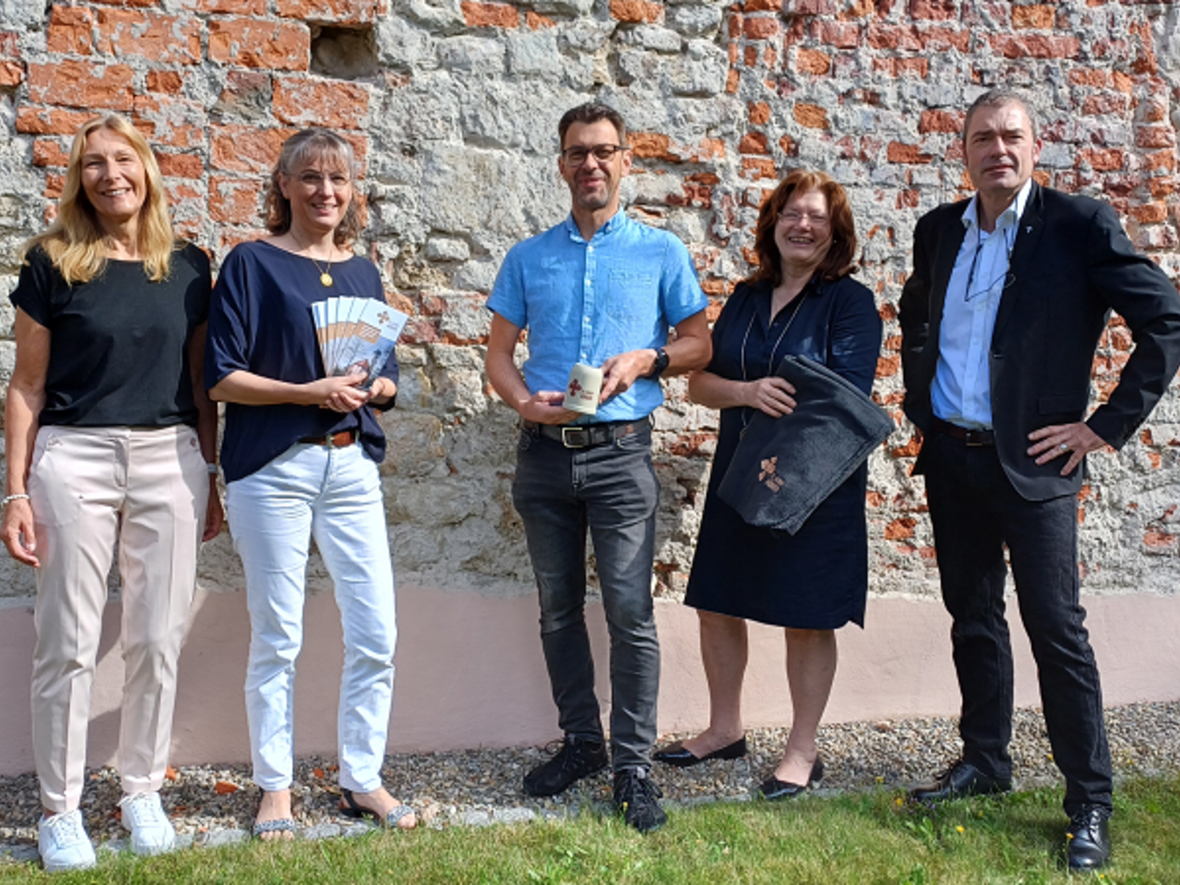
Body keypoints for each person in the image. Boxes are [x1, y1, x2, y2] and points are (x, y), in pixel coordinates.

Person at [899, 88, 1180, 870]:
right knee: (972, 616)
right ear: (963, 151)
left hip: (1039, 464)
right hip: (953, 457)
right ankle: (986, 760)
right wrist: (922, 402)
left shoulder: (1078, 225)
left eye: (1011, 136)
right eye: (983, 137)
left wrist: (1103, 426)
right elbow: (918, 314)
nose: (998, 149)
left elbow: (1166, 320)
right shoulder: (938, 230)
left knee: (1056, 628)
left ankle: (1089, 800)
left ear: (1035, 145)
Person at [1, 114, 222, 872]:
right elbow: (26, 387)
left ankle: (141, 791)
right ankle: (59, 810)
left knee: (158, 637)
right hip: (74, 457)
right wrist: (14, 492)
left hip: (170, 456)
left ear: (147, 170)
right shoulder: (52, 262)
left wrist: (211, 473)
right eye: (92, 163)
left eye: (122, 159)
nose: (109, 174)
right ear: (78, 178)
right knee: (66, 641)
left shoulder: (188, 267)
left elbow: (201, 384)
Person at [484, 102, 711, 833]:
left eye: (604, 151)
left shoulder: (661, 251)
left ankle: (633, 767)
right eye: (578, 152)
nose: (591, 163)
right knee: (557, 609)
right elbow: (497, 356)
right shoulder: (528, 257)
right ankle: (582, 742)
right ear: (561, 164)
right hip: (544, 456)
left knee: (629, 613)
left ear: (625, 162)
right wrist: (524, 402)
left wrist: (649, 357)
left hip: (621, 456)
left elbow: (700, 343)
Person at [205, 128, 416, 840]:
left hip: (351, 464)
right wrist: (307, 391)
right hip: (275, 469)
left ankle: (362, 778)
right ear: (285, 186)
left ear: (352, 191)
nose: (326, 191)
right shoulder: (252, 263)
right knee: (278, 634)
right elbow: (221, 376)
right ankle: (276, 788)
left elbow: (385, 375)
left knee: (377, 631)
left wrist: (378, 387)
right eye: (311, 177)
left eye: (339, 179)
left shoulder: (364, 274)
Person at [653, 171, 882, 799]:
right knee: (718, 602)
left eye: (816, 217)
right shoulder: (747, 298)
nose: (802, 226)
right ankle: (724, 729)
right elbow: (700, 385)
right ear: (773, 224)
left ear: (835, 232)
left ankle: (802, 750)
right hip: (740, 471)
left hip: (814, 483)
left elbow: (846, 399)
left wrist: (772, 405)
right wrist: (747, 391)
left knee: (806, 616)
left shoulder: (849, 303)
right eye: (791, 214)